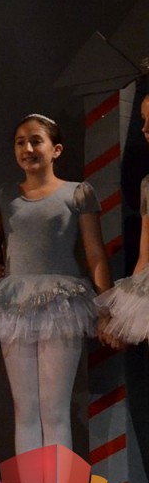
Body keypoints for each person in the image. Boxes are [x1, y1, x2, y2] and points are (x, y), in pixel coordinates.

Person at [0, 115, 110, 458]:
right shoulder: (6, 195)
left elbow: (94, 254)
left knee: (54, 410)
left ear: (55, 149)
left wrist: (106, 305)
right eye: (20, 142)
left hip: (61, 302)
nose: (27, 148)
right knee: (25, 409)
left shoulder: (77, 192)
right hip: (15, 303)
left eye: (36, 141)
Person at [98, 97, 149, 346]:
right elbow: (145, 254)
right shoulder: (148, 184)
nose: (145, 128)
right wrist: (123, 317)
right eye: (143, 119)